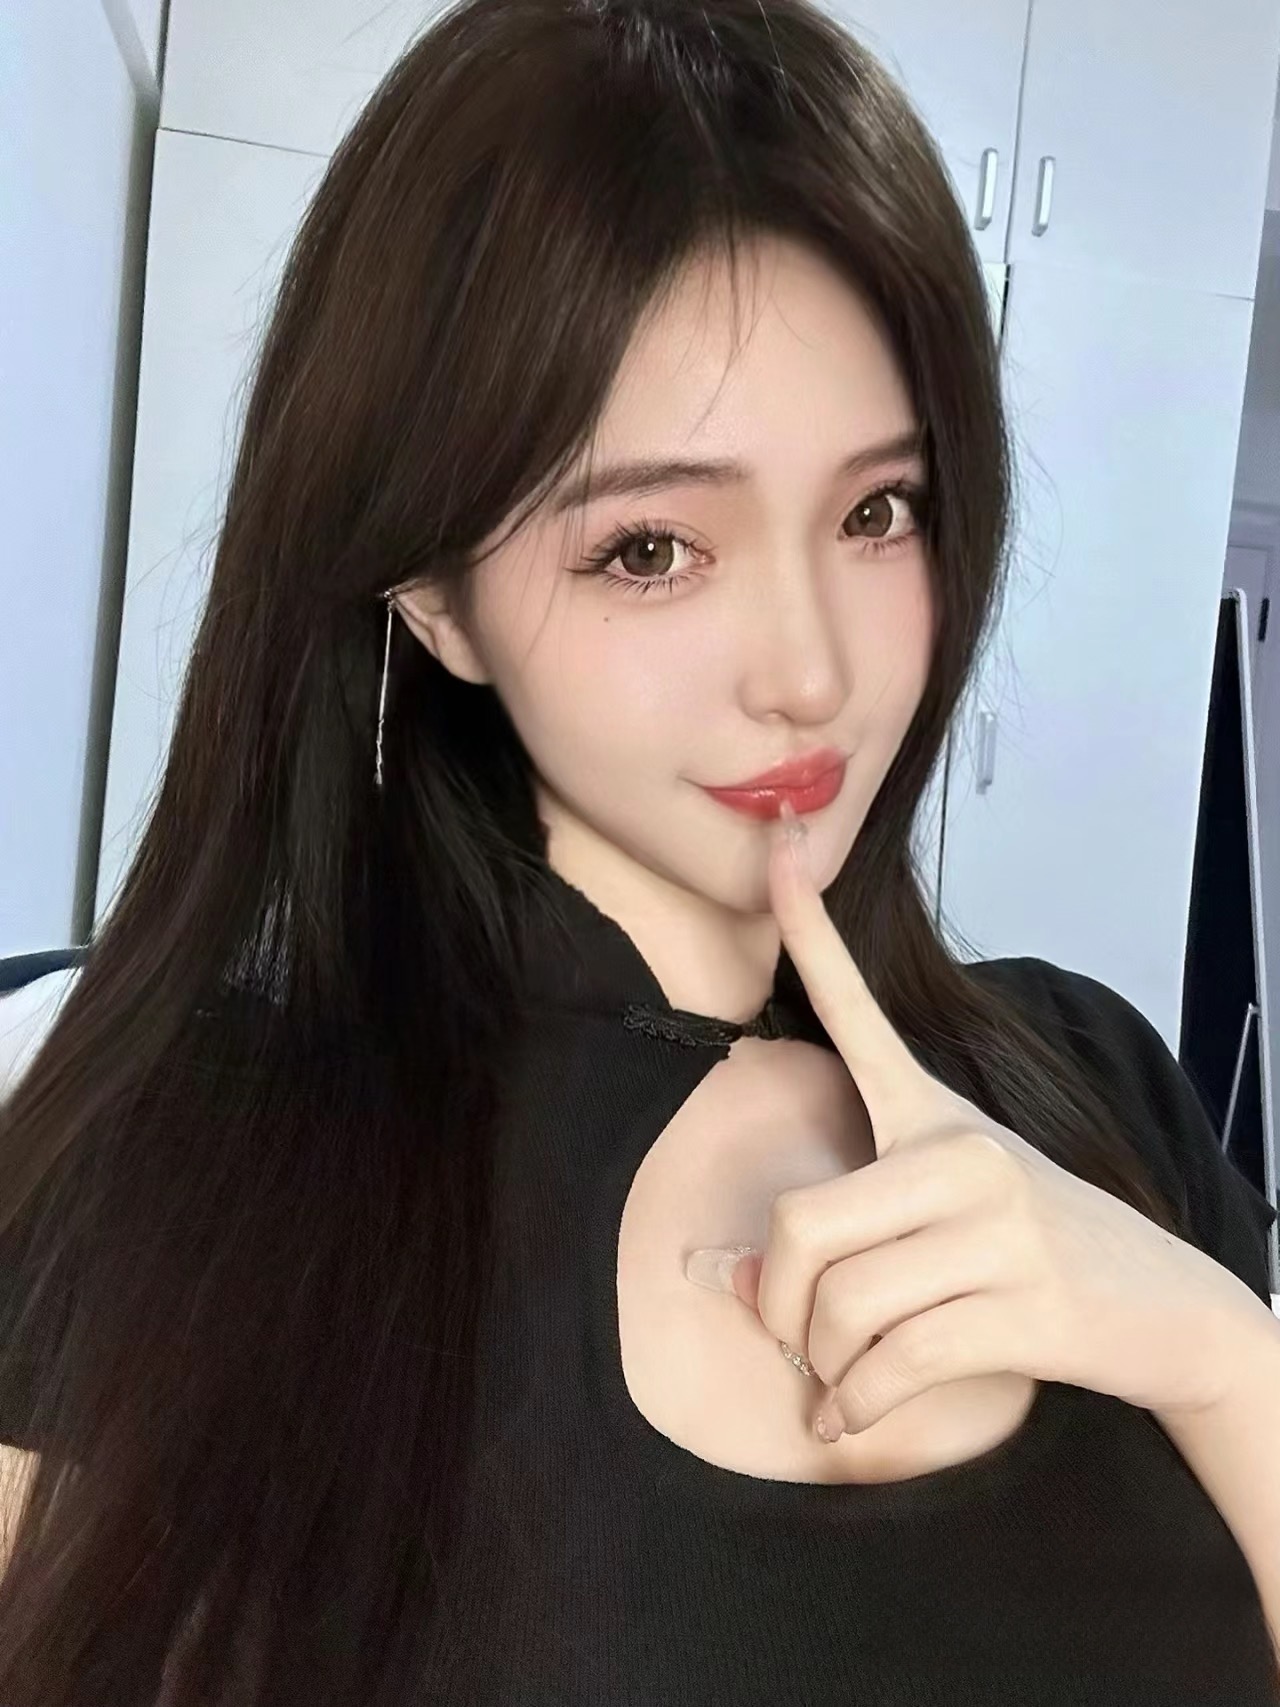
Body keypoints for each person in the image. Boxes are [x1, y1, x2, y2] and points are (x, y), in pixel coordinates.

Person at [0, 0, 1277, 1699]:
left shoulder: (1105, 1082)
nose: (811, 672)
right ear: (434, 594)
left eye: (878, 511)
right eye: (655, 548)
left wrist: (1213, 1350)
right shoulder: (188, 1163)